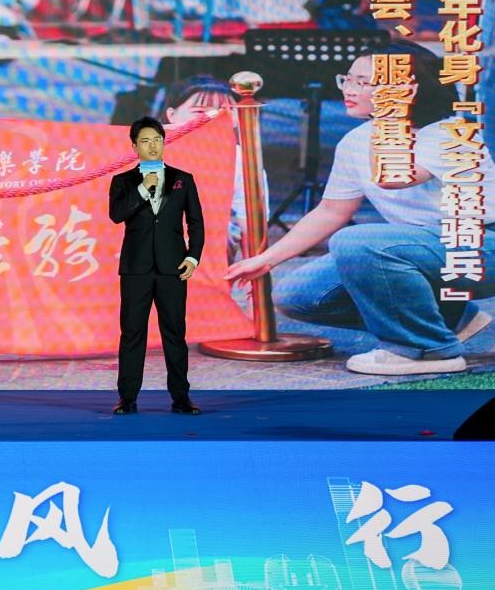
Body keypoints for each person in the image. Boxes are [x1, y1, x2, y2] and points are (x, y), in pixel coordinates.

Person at [226, 41, 495, 375]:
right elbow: (331, 211)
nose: (348, 89)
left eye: (363, 82)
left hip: (480, 248)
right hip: (416, 251)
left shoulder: (450, 134)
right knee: (298, 295)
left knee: (356, 241)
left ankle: (426, 349)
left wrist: (389, 113)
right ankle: (448, 318)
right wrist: (265, 260)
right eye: (347, 79)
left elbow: (393, 177)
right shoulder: (356, 140)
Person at [108, 116, 205, 416]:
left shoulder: (183, 179)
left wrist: (192, 257)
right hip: (135, 270)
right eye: (146, 141)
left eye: (157, 140)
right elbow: (116, 215)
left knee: (174, 333)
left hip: (172, 269)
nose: (153, 146)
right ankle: (127, 398)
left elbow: (196, 222)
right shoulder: (123, 181)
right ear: (134, 146)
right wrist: (142, 190)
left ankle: (181, 398)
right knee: (132, 333)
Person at [159, 75, 269, 264]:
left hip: (207, 244)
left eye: (225, 110)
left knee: (219, 229)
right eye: (199, 111)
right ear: (172, 115)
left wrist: (256, 275)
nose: (212, 117)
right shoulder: (143, 149)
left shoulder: (243, 160)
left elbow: (251, 226)